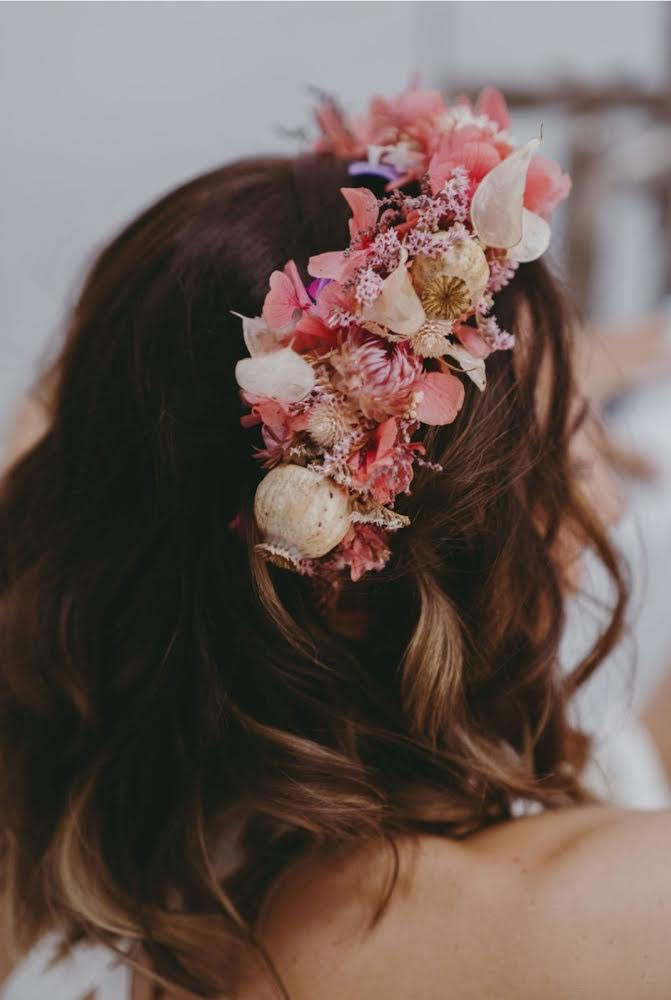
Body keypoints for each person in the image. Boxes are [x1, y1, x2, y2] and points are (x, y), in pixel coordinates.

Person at [1, 85, 671, 1000]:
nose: (603, 481)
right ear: (349, 587)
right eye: (568, 440)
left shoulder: (134, 846)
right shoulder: (612, 908)